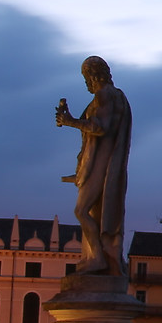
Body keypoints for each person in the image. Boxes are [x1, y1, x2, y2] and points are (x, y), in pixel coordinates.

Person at [55, 57, 131, 275]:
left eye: (85, 77)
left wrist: (70, 121)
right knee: (94, 213)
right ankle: (100, 258)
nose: (85, 82)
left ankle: (97, 258)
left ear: (92, 75)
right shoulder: (119, 97)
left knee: (81, 210)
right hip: (103, 166)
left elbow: (100, 127)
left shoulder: (104, 95)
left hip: (99, 165)